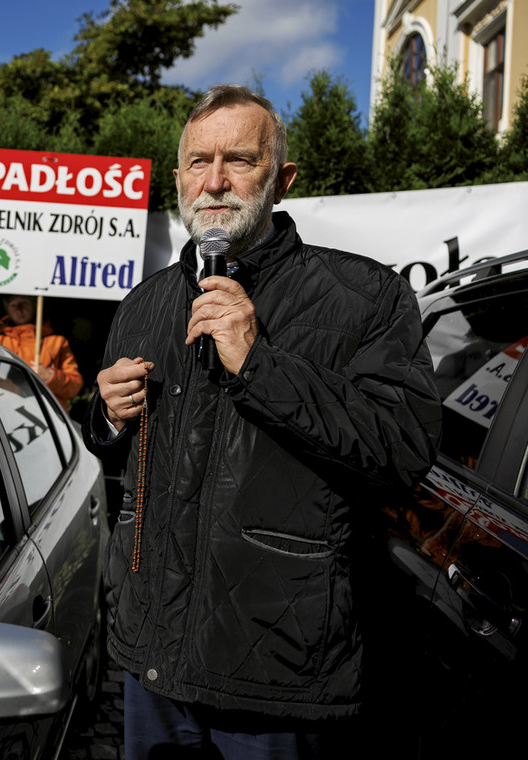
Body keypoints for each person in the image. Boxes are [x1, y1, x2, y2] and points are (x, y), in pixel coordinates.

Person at [82, 85, 441, 758]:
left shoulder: (366, 298)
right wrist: (104, 415)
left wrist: (258, 364)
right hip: (151, 657)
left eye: (238, 159)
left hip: (276, 669)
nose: (213, 181)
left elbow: (402, 451)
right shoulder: (144, 302)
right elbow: (113, 452)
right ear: (178, 176)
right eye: (196, 161)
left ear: (282, 179)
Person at [0, 294, 83, 412]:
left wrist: (50, 376)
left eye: (24, 303)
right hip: (7, 415)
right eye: (14, 305)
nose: (19, 309)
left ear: (34, 306)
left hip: (49, 419)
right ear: (7, 309)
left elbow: (74, 387)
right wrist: (19, 388)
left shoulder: (57, 342)